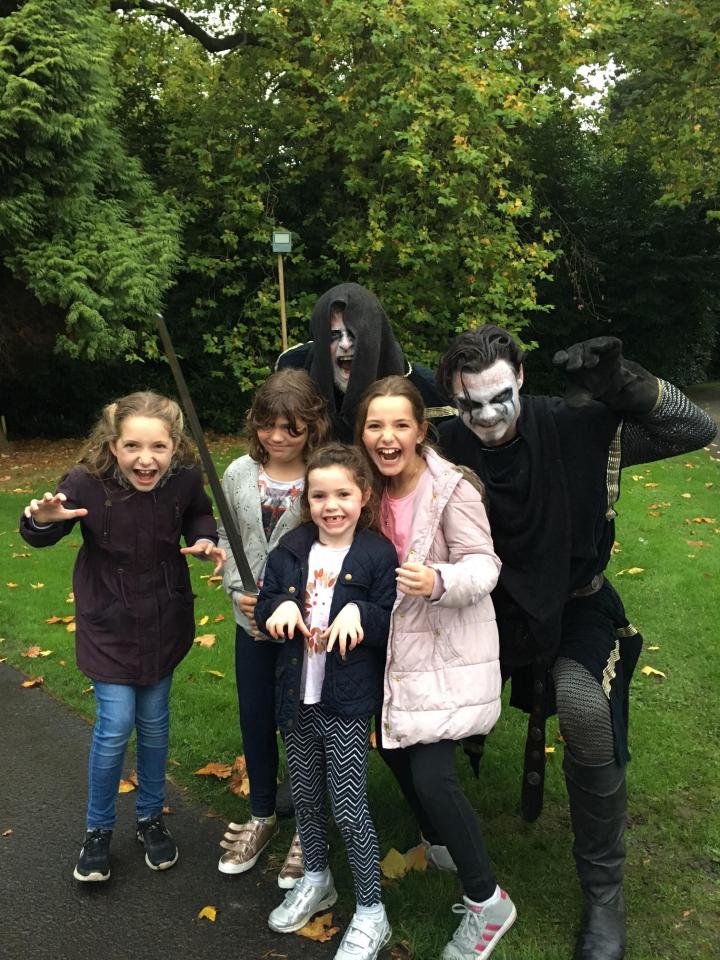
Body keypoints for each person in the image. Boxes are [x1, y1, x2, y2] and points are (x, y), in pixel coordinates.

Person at [435, 330, 717, 960]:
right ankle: (383, 813)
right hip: (483, 603)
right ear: (451, 400)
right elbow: (365, 450)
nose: (485, 416)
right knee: (396, 670)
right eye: (468, 405)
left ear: (521, 379)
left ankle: (604, 894)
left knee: (585, 707)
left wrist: (630, 388)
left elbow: (694, 430)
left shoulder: (577, 426)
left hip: (575, 600)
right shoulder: (443, 443)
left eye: (497, 398)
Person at [19, 391, 225, 882]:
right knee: (115, 726)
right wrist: (40, 520)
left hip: (163, 618)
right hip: (107, 620)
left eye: (158, 447)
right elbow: (46, 525)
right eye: (132, 445)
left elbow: (199, 512)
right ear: (113, 446)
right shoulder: (85, 483)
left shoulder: (185, 481)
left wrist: (205, 539)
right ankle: (97, 830)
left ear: (175, 446)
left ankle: (151, 819)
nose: (145, 458)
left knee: (154, 723)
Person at [356, 375, 517, 960]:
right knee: (393, 747)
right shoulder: (366, 487)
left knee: (432, 775)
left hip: (446, 651)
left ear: (422, 430)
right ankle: (439, 839)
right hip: (391, 651)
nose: (387, 436)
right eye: (375, 425)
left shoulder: (452, 490)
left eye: (400, 424)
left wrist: (439, 579)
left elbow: (485, 567)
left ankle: (487, 902)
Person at [255, 443, 398, 960]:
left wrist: (362, 610)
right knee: (307, 799)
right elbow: (268, 603)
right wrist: (281, 606)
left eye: (343, 494)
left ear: (364, 496)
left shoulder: (377, 553)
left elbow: (389, 617)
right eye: (320, 495)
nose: (331, 505)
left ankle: (371, 910)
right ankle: (317, 878)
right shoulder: (289, 551)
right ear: (306, 500)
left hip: (345, 704)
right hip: (297, 700)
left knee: (348, 803)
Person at [216, 369, 331, 889]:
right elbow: (228, 534)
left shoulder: (324, 476)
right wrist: (236, 591)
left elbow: (335, 547)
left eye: (291, 428)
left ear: (313, 427)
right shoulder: (240, 472)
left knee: (304, 728)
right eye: (268, 425)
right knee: (256, 719)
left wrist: (292, 607)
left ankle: (309, 828)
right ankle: (263, 812)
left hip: (304, 631)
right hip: (250, 626)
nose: (278, 438)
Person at [277, 282, 453, 442]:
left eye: (355, 334)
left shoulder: (427, 391)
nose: (345, 344)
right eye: (334, 335)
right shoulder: (295, 369)